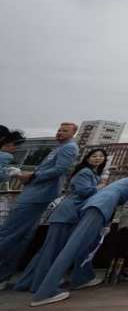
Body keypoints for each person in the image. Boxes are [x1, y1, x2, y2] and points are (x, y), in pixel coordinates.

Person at [29, 168, 128, 307]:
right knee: (73, 247)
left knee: (83, 246)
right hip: (100, 207)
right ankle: (46, 292)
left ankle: (81, 278)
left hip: (95, 206)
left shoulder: (124, 182)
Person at [15, 149, 107, 293]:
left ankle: (30, 281)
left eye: (101, 156)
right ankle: (41, 284)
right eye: (94, 156)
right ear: (87, 158)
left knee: (50, 249)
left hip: (70, 214)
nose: (98, 158)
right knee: (52, 249)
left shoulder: (92, 173)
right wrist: (100, 187)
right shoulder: (85, 172)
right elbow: (84, 191)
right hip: (67, 214)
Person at [0, 123, 79, 290]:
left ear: (74, 133)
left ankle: (4, 274)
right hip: (38, 193)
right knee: (22, 235)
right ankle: (4, 274)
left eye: (65, 131)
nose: (59, 133)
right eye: (59, 130)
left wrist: (32, 175)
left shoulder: (69, 148)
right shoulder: (61, 148)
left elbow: (60, 169)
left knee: (9, 233)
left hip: (37, 195)